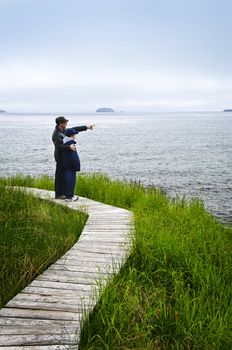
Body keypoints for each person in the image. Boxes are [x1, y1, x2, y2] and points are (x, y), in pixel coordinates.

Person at [52, 116, 94, 199]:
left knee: (65, 176)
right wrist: (69, 147)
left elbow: (74, 129)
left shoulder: (63, 130)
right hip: (60, 157)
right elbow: (59, 145)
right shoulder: (56, 134)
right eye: (65, 122)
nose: (66, 123)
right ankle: (59, 195)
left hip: (65, 157)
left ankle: (65, 194)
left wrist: (86, 127)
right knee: (60, 176)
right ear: (60, 124)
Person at [63, 128, 81, 201]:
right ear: (71, 135)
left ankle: (68, 196)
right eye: (74, 134)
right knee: (71, 181)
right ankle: (70, 197)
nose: (75, 136)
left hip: (67, 165)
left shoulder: (65, 142)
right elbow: (74, 157)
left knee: (67, 180)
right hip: (71, 166)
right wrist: (77, 167)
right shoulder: (71, 144)